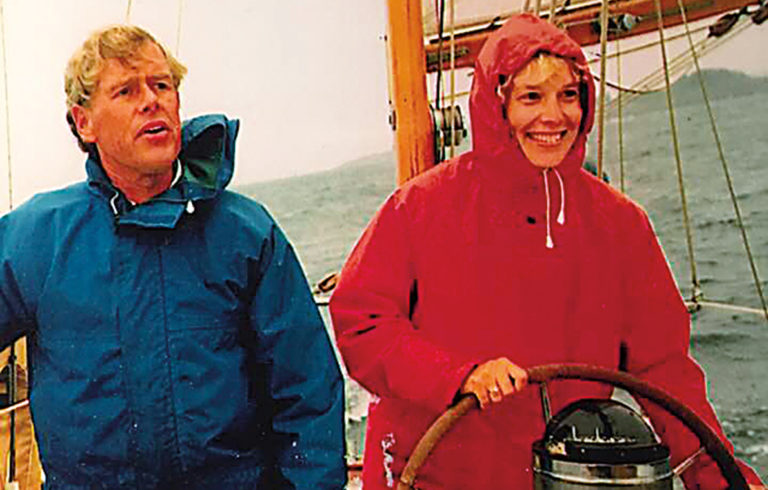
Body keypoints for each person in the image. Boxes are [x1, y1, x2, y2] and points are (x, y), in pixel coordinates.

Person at [329, 14, 764, 490]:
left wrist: (721, 478)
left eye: (568, 96)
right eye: (530, 97)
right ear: (496, 106)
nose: (553, 116)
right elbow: (362, 324)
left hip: (566, 479)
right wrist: (458, 376)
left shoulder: (621, 224)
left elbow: (664, 371)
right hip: (433, 473)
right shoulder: (419, 207)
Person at [0, 25, 346, 489]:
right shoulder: (34, 238)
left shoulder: (245, 233)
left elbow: (307, 396)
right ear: (84, 122)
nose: (152, 101)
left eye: (162, 85)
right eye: (125, 90)